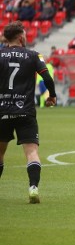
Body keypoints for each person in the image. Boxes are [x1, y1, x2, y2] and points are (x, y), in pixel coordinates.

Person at [0, 21, 57, 204]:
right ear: (20, 37)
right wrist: (52, 96)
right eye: (24, 34)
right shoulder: (33, 55)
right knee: (32, 152)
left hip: (2, 110)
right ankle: (33, 188)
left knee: (0, 153)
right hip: (25, 111)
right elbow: (47, 77)